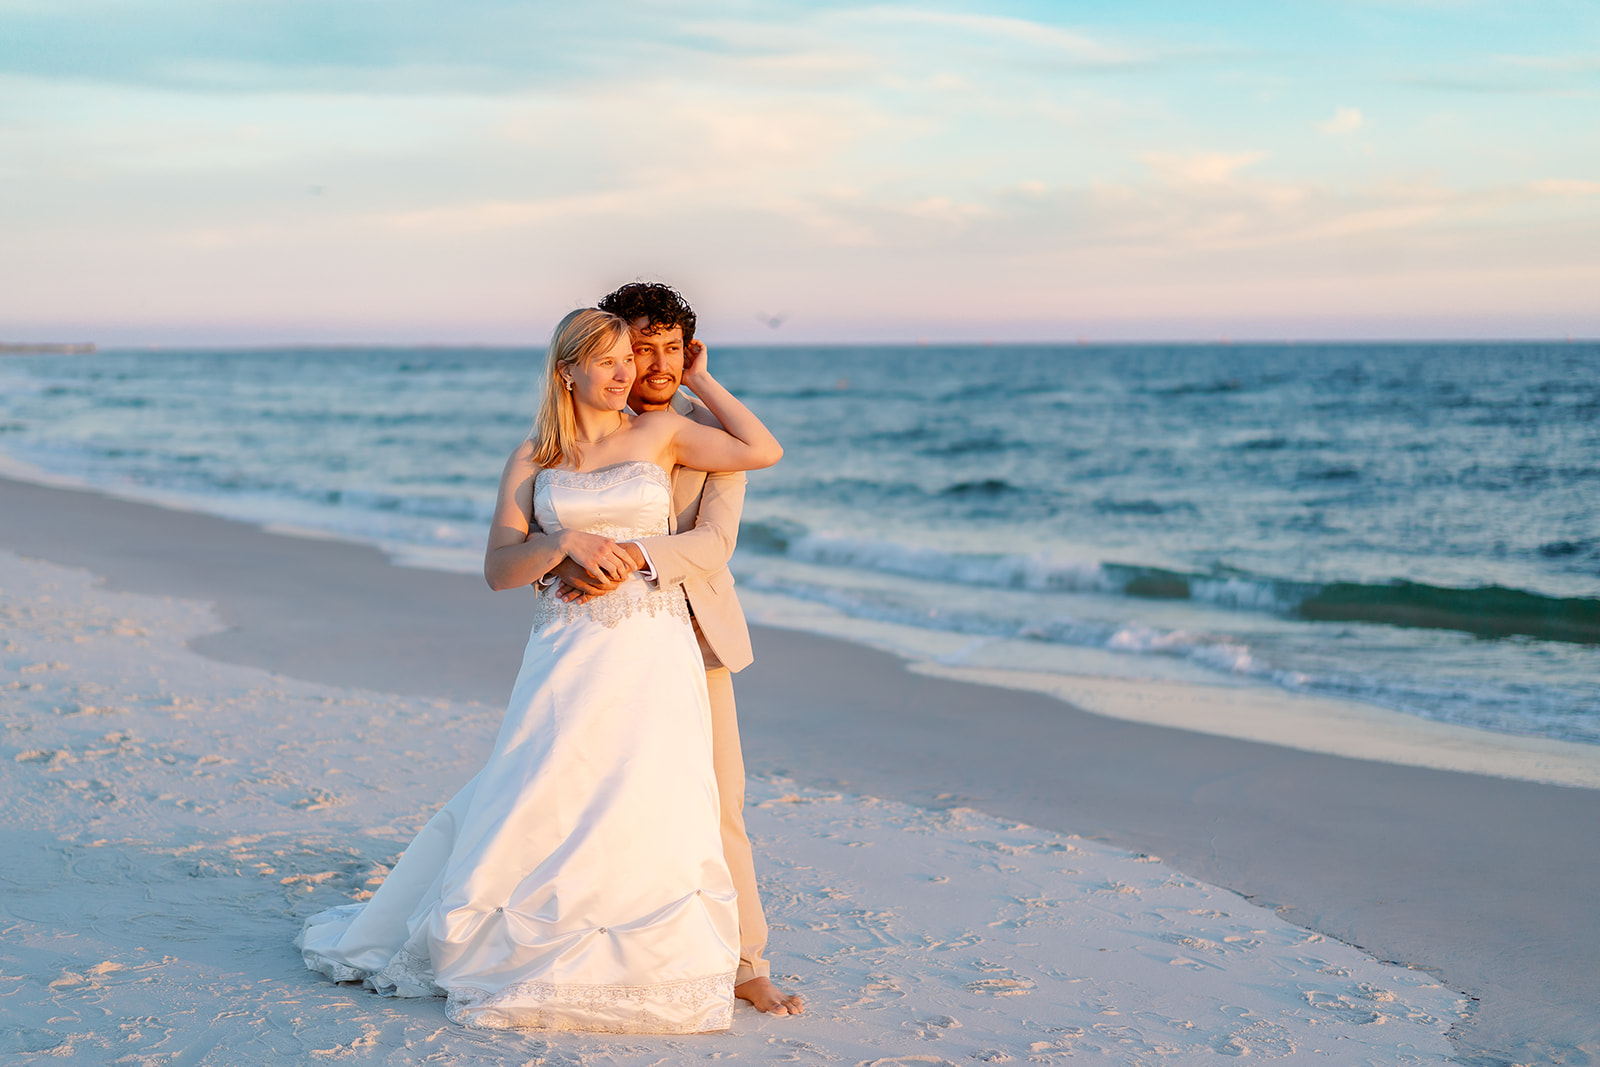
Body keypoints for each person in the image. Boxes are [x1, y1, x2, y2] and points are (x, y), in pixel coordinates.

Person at [295, 307, 782, 1033]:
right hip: (567, 647)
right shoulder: (530, 458)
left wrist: (702, 378)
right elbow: (498, 569)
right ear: (568, 371)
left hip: (653, 645)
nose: (631, 374)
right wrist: (564, 541)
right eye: (614, 360)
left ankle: (713, 959)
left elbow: (761, 449)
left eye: (637, 359)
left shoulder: (665, 431)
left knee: (654, 794)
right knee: (547, 782)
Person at [527, 282, 804, 1016]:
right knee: (589, 795)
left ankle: (745, 963)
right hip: (598, 642)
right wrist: (570, 559)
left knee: (718, 799)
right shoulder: (582, 431)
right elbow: (548, 516)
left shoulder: (702, 433)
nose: (653, 362)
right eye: (639, 346)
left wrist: (626, 555)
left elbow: (713, 543)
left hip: (692, 638)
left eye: (671, 349)